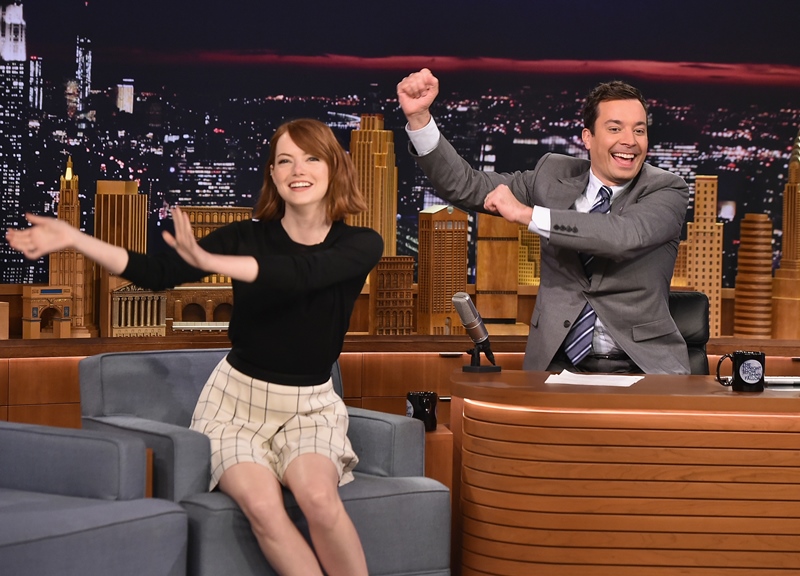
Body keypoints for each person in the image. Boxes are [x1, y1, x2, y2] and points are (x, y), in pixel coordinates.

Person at [6, 118, 383, 576]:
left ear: (334, 168)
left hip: (311, 408)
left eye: (311, 158)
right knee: (264, 508)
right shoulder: (244, 237)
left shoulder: (361, 243)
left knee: (319, 499)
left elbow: (303, 275)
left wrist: (212, 261)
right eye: (285, 160)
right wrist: (74, 238)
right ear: (272, 173)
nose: (297, 170)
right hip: (235, 405)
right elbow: (157, 273)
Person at [397, 68, 690, 374]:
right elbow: (466, 185)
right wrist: (419, 119)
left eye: (639, 131)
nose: (630, 141)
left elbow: (622, 236)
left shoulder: (666, 189)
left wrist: (527, 214)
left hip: (642, 367)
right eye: (615, 129)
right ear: (587, 138)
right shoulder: (552, 175)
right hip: (558, 365)